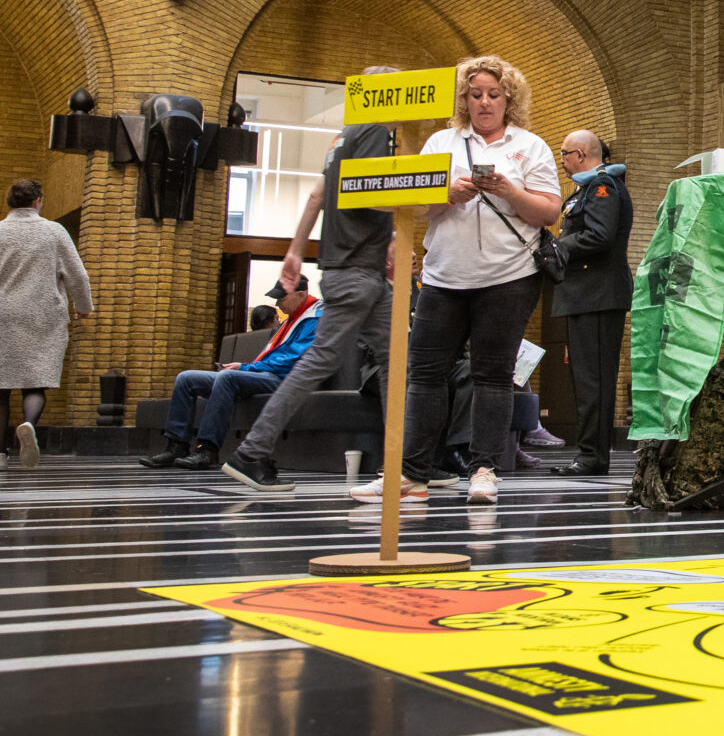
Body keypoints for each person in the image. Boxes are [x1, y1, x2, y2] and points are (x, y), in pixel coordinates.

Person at [352, 55, 563, 506]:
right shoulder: (440, 142)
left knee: (492, 375)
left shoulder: (532, 146)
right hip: (444, 275)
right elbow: (417, 208)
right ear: (464, 100)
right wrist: (444, 195)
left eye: (493, 94)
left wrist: (510, 191)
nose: (484, 102)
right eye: (475, 94)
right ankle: (411, 474)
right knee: (425, 374)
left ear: (509, 98)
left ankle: (483, 470)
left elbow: (549, 211)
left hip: (510, 276)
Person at [221, 68, 404, 494]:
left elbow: (317, 196)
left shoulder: (341, 138)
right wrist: (402, 227)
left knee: (397, 363)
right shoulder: (375, 133)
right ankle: (251, 452)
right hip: (358, 269)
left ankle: (408, 461)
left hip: (354, 269)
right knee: (320, 361)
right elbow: (379, 193)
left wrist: (295, 248)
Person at [0, 178, 93, 470]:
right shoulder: (54, 232)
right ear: (38, 200)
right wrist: (83, 307)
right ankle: (28, 425)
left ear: (10, 202)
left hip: (0, 316)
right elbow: (78, 275)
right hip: (43, 316)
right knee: (35, 382)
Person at [153, 281, 321, 484]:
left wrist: (245, 368)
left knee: (227, 377)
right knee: (186, 378)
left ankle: (208, 450)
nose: (278, 304)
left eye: (282, 298)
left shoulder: (315, 318)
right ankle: (176, 446)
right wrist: (247, 368)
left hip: (287, 379)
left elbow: (292, 360)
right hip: (265, 373)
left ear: (301, 295)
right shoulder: (291, 319)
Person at [552, 129, 633, 476]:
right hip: (586, 294)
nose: (563, 161)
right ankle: (589, 454)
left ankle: (591, 457)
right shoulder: (588, 188)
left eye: (565, 154)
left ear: (582, 154)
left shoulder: (603, 186)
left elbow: (599, 235)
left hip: (597, 294)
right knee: (587, 380)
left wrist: (560, 248)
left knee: (595, 381)